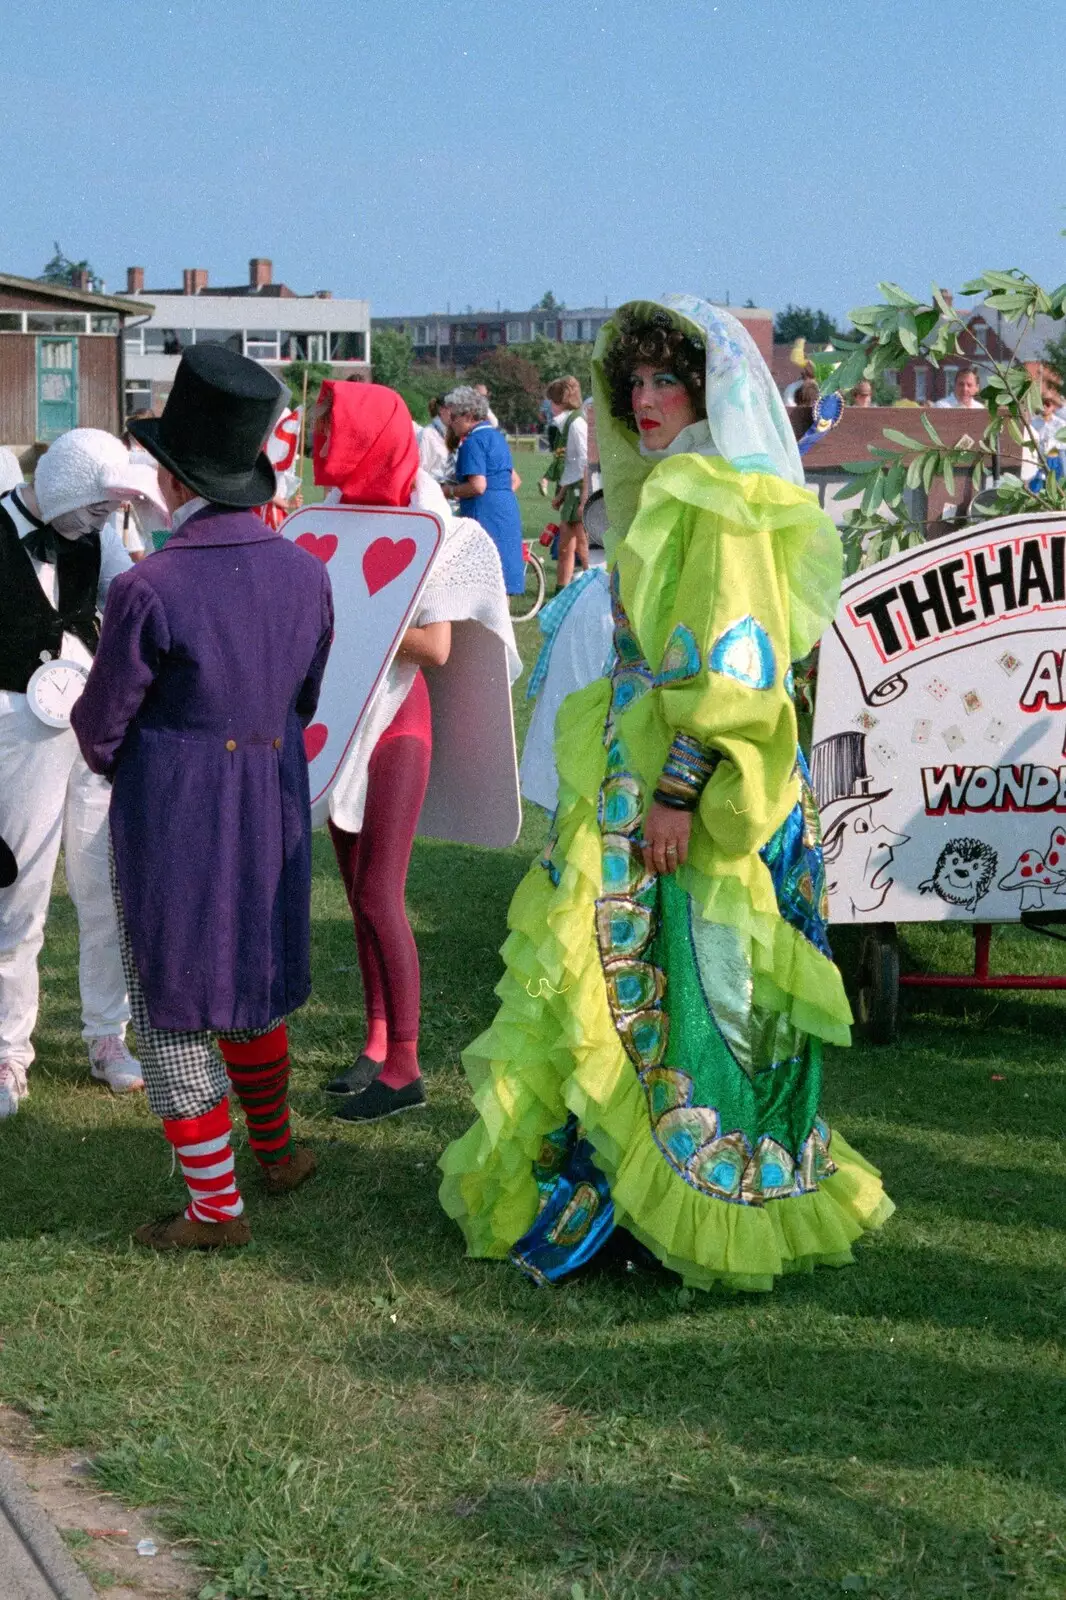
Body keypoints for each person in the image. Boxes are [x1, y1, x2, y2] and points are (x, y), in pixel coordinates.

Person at [440, 295, 893, 1292]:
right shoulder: (675, 486)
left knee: (703, 982)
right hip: (638, 767)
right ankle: (623, 1189)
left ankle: (686, 1198)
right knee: (635, 977)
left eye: (664, 380)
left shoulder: (717, 499)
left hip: (699, 788)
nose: (643, 400)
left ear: (706, 388)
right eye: (633, 382)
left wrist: (679, 793)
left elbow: (735, 669)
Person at [70, 345, 334, 1249]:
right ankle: (279, 1150)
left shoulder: (149, 588)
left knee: (176, 999)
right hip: (269, 795)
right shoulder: (306, 572)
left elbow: (101, 729)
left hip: (177, 810)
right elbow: (306, 696)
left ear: (174, 482)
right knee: (251, 980)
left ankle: (216, 1209)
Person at [310, 380, 519, 1121]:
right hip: (340, 724)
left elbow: (435, 644)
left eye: (335, 428)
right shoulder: (335, 515)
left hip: (398, 724)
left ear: (372, 436)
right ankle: (374, 1044)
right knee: (355, 893)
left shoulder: (432, 521)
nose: (321, 442)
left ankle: (405, 1067)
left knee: (378, 895)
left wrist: (354, 618)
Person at [0, 429, 166, 1118]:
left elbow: (131, 598)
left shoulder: (96, 532)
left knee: (104, 886)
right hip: (15, 724)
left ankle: (107, 1032)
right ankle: (9, 1049)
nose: (103, 521)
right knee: (21, 895)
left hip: (91, 723)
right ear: (66, 485)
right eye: (97, 507)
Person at [441, 386, 525, 595]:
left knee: (483, 583)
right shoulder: (496, 436)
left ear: (468, 415)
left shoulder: (474, 441)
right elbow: (514, 479)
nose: (451, 422)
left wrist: (448, 491)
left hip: (484, 513)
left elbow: (478, 486)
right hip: (505, 510)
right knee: (502, 585)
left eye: (454, 416)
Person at [544, 376, 589, 590]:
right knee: (564, 547)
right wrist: (561, 495)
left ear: (561, 401)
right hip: (572, 490)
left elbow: (587, 463)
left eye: (552, 402)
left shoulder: (577, 424)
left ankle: (596, 591)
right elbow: (570, 467)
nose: (549, 407)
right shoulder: (567, 424)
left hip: (583, 490)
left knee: (583, 546)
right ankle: (561, 593)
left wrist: (585, 500)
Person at [418, 396, 453, 482]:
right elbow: (419, 471)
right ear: (441, 410)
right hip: (430, 490)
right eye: (452, 409)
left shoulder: (454, 435)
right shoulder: (427, 435)